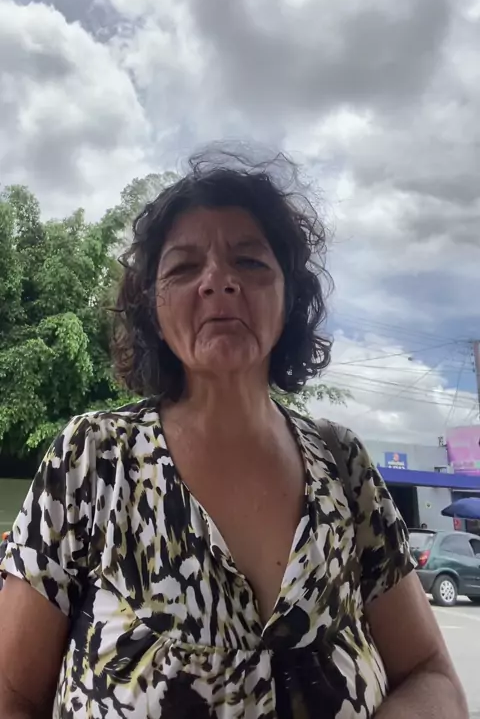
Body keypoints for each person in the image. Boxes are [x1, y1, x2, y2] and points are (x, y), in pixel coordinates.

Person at [0, 155, 467, 719]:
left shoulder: (344, 465)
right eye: (183, 267)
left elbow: (431, 675)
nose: (218, 280)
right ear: (153, 307)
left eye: (249, 260)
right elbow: (11, 696)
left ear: (289, 297)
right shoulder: (92, 458)